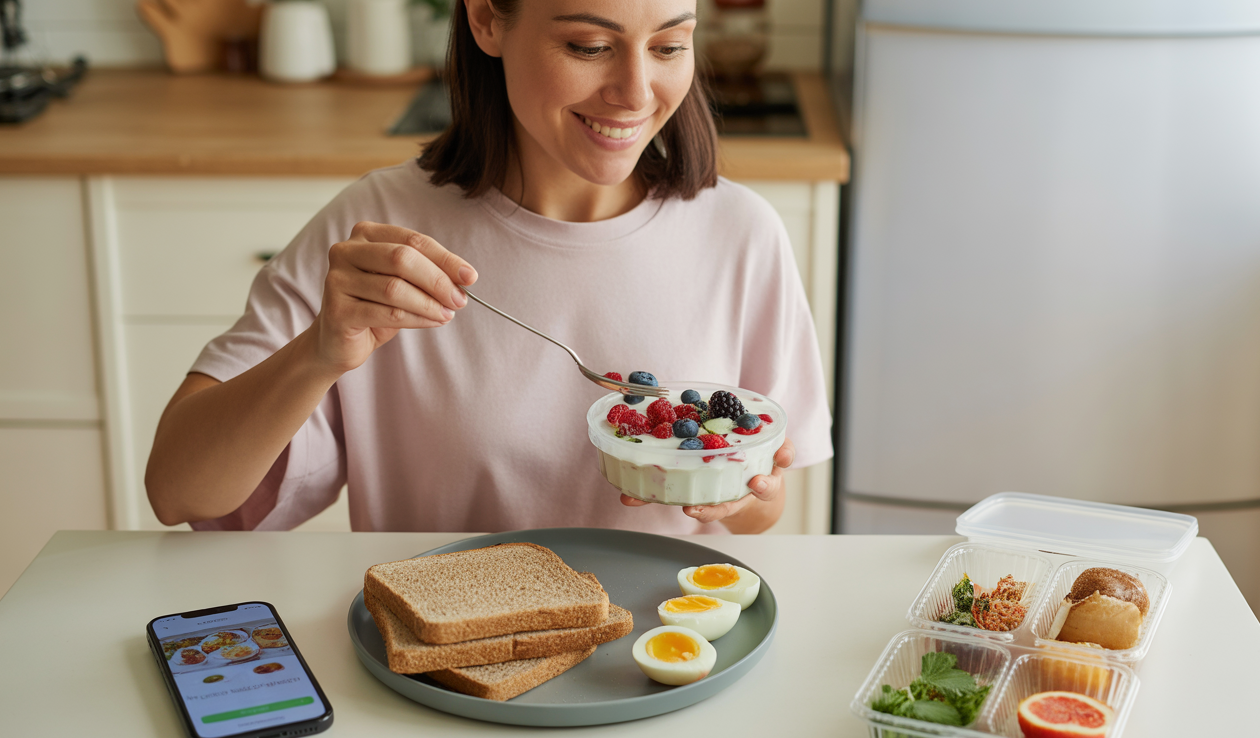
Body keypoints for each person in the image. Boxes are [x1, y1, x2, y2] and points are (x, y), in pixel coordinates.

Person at [144, 0, 831, 535]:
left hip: (657, 664)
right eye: (588, 46)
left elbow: (764, 507)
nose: (634, 90)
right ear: (485, 19)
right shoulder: (379, 233)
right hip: (442, 683)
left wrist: (734, 499)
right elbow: (179, 493)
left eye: (669, 46)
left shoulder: (741, 234)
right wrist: (317, 355)